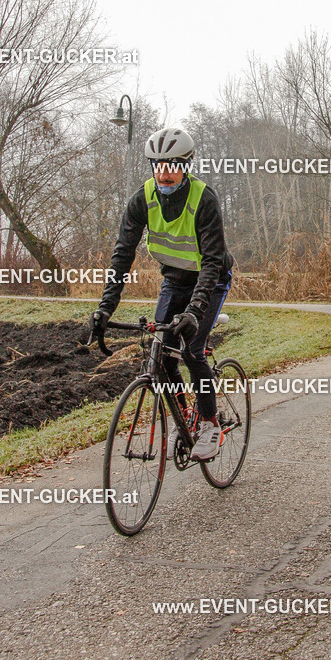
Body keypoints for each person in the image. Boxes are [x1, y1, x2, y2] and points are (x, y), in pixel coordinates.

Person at [90, 126, 234, 459]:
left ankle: (211, 425)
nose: (164, 173)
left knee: (192, 350)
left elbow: (212, 262)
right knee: (161, 350)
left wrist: (195, 312)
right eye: (157, 165)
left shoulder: (204, 199)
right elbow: (123, 253)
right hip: (174, 281)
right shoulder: (142, 199)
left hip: (210, 282)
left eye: (172, 165)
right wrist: (105, 307)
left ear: (186, 165)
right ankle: (184, 419)